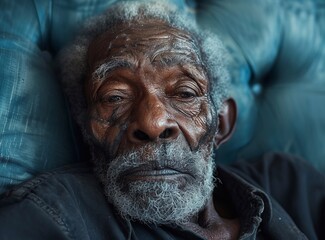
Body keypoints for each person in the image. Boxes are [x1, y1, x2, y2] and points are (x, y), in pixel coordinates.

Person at [0, 2, 324, 240]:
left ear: (221, 125)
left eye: (184, 93)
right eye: (115, 97)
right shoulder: (53, 215)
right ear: (87, 126)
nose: (154, 123)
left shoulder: (290, 184)